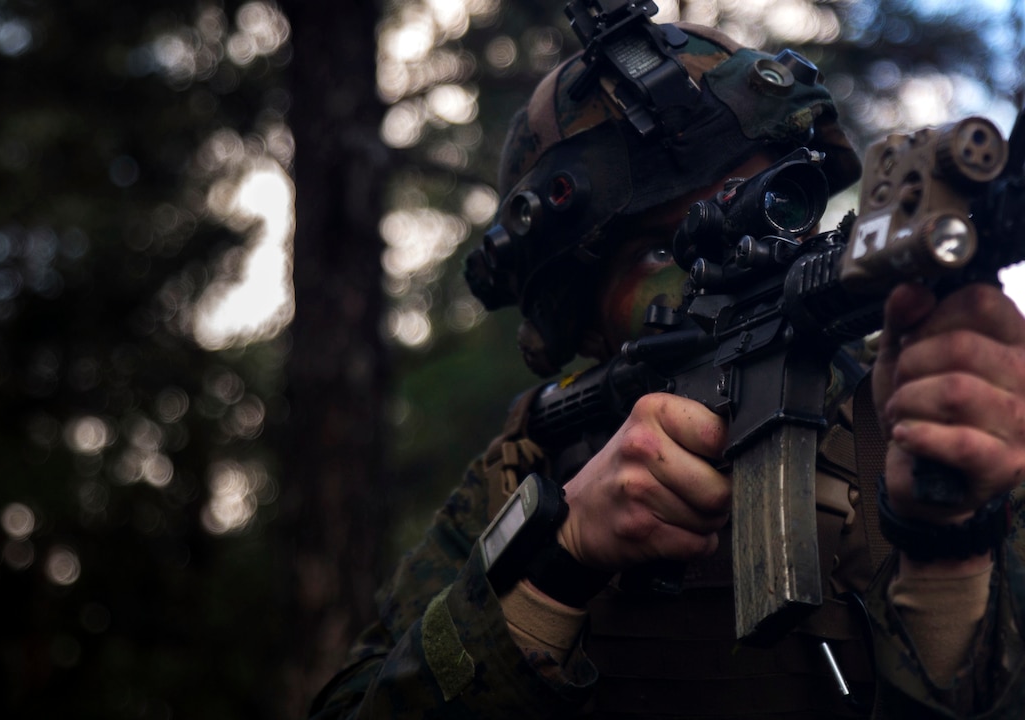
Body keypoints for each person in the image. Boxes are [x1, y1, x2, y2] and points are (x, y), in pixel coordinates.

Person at [310, 13, 1025, 720]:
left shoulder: (934, 415)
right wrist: (561, 563)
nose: (738, 253)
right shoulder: (524, 474)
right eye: (661, 248)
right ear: (583, 318)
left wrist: (946, 543)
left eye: (770, 198)